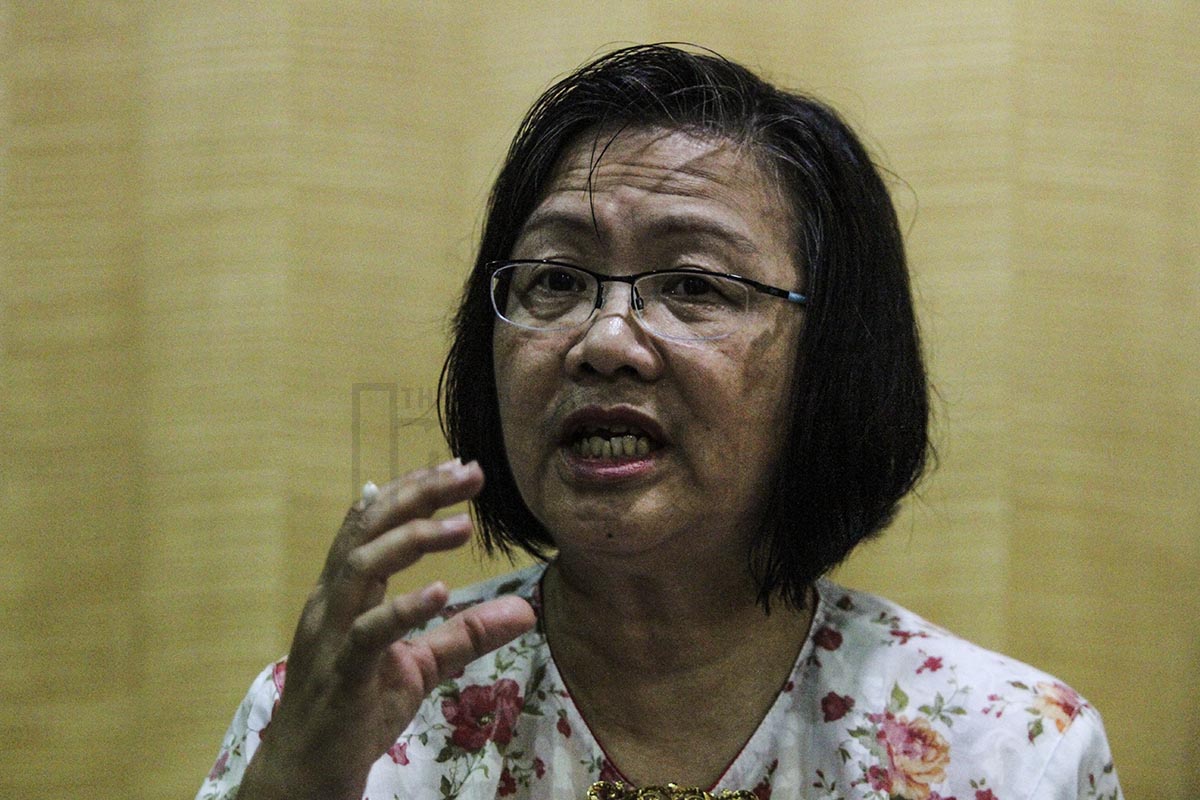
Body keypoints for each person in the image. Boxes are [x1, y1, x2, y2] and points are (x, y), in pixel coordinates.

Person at [197, 44, 1122, 800]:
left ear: (832, 360)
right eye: (555, 279)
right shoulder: (348, 725)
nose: (605, 342)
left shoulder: (1004, 750)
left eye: (692, 285)